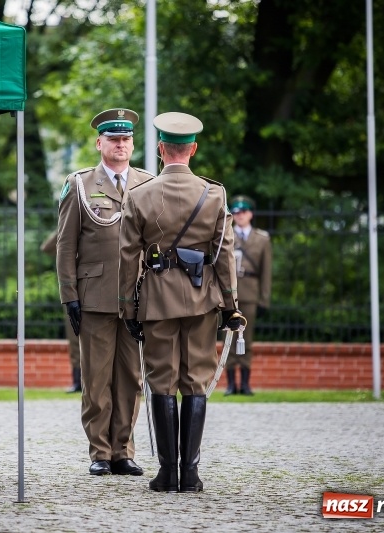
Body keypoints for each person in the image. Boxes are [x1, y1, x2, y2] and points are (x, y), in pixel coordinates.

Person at [118, 112, 243, 493]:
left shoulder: (139, 195)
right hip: (203, 299)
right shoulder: (214, 195)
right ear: (193, 149)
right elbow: (224, 255)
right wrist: (230, 305)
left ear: (160, 149)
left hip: (157, 300)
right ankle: (190, 474)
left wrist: (128, 307)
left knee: (161, 381)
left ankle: (166, 473)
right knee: (196, 381)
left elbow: (127, 257)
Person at [56, 108, 154, 476]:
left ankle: (123, 451)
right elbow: (66, 245)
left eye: (126, 139)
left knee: (130, 379)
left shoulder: (147, 183)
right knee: (96, 380)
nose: (120, 144)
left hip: (138, 298)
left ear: (132, 144)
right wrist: (70, 295)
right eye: (113, 139)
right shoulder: (81, 184)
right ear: (100, 143)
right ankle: (99, 452)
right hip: (95, 295)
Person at [226, 195, 272, 396]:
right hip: (230, 295)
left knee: (247, 338)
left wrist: (264, 299)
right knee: (229, 338)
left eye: (243, 212)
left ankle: (245, 384)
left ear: (251, 214)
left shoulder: (262, 239)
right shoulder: (226, 235)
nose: (239, 215)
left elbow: (266, 272)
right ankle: (230, 384)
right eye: (236, 212)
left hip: (251, 294)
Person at [40, 230, 81, 393]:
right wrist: (64, 225)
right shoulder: (67, 231)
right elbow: (46, 248)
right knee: (74, 338)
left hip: (96, 287)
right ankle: (78, 381)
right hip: (72, 291)